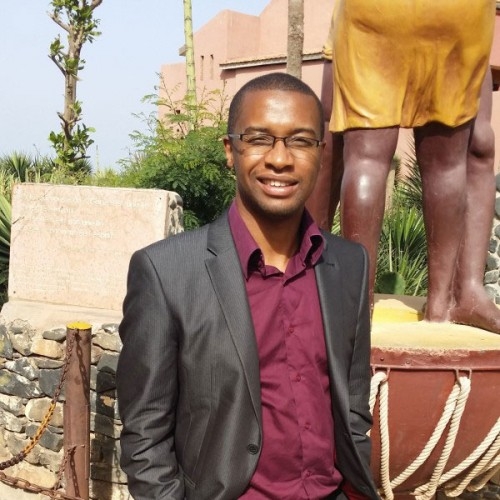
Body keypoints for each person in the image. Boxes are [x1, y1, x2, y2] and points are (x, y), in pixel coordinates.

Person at [116, 73, 379, 500]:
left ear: (320, 153)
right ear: (230, 150)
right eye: (259, 139)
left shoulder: (348, 264)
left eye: (300, 141)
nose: (280, 159)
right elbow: (145, 436)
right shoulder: (167, 272)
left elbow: (353, 402)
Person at [308, 0, 499, 332]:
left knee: (366, 159)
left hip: (375, 12)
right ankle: (441, 307)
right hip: (459, 13)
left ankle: (355, 305)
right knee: (447, 167)